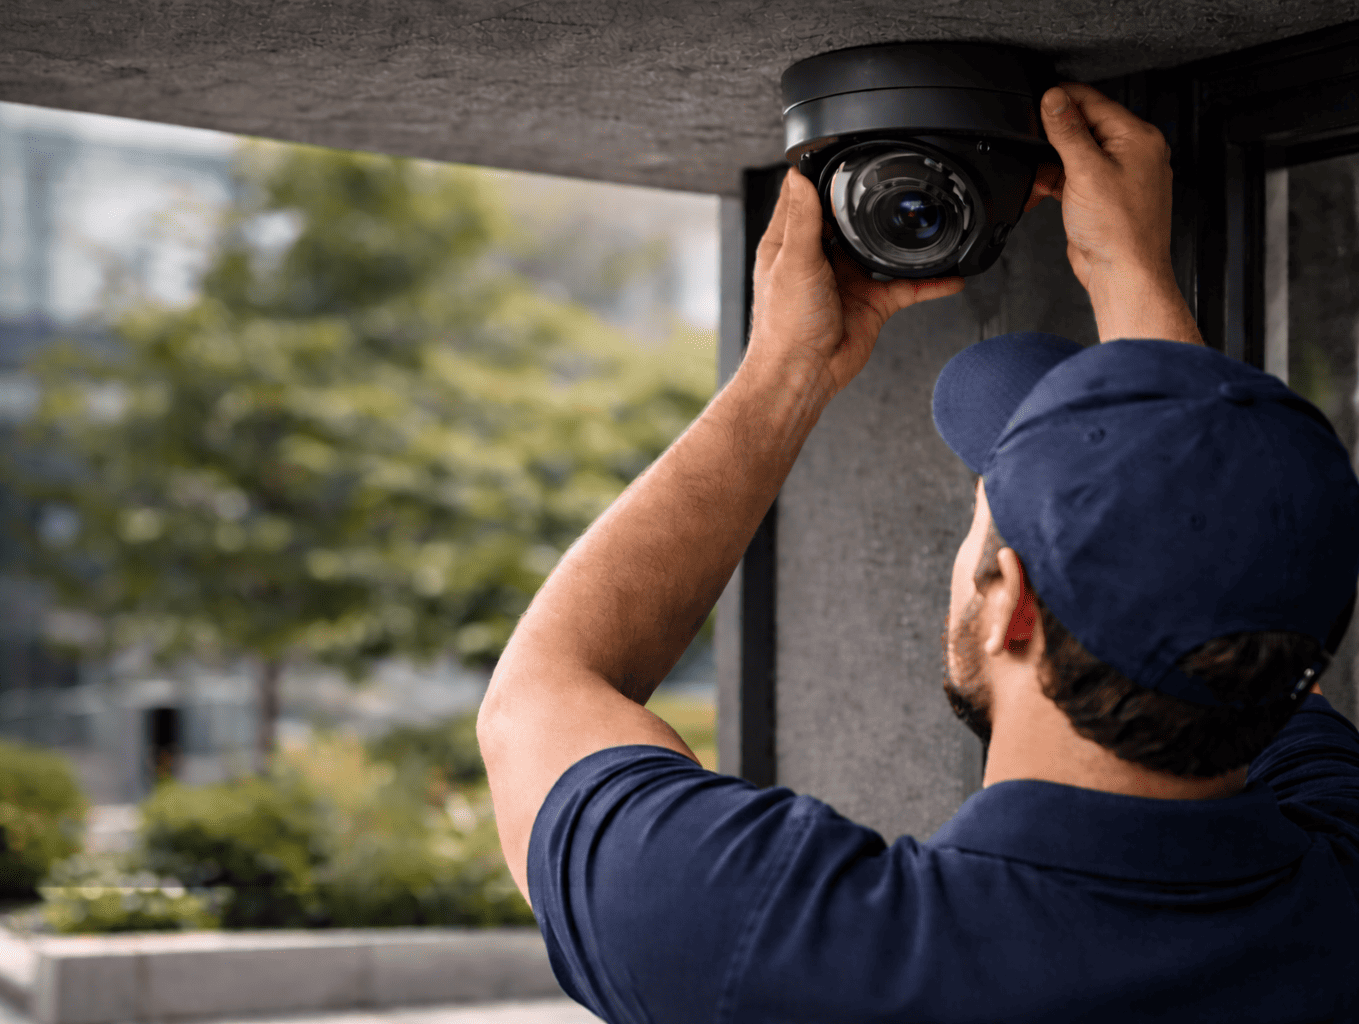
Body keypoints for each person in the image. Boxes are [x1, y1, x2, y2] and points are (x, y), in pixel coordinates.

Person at [476, 81, 1359, 1022]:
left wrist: (787, 369)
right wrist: (1131, 277)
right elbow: (1221, 561)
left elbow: (542, 695)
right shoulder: (1337, 888)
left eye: (982, 505)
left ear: (1010, 602)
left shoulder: (787, 945)